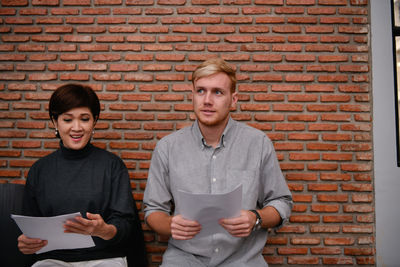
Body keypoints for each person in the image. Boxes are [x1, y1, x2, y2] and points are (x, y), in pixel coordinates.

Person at [143, 58, 293, 266]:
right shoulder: (167, 147)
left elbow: (282, 202)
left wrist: (255, 218)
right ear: (192, 96)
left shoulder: (258, 143)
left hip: (243, 260)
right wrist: (170, 225)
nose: (207, 100)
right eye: (201, 91)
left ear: (233, 100)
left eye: (218, 92)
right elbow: (153, 210)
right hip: (185, 259)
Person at [17, 84, 147, 267]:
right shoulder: (39, 170)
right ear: (55, 122)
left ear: (94, 121)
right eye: (67, 120)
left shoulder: (112, 165)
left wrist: (105, 230)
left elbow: (126, 226)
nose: (76, 128)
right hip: (53, 260)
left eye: (84, 119)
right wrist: (26, 243)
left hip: (104, 258)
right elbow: (29, 225)